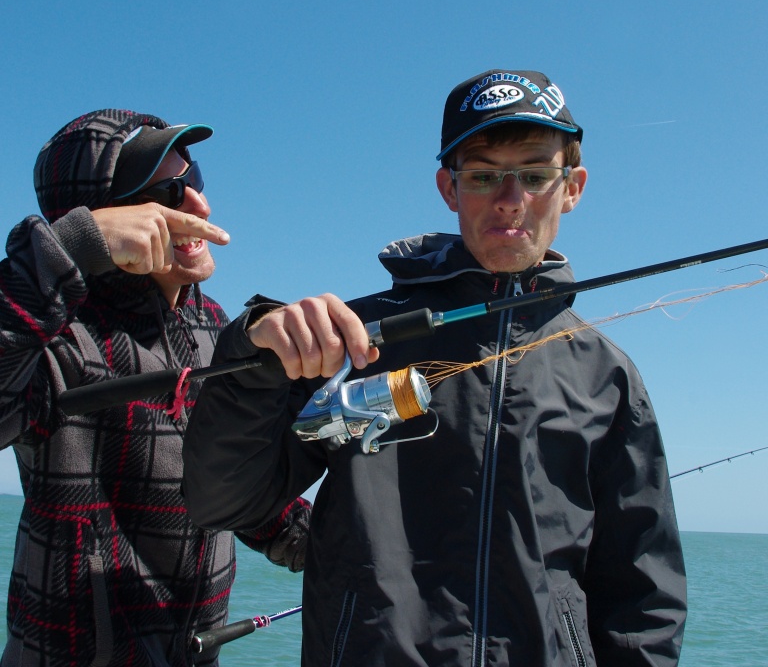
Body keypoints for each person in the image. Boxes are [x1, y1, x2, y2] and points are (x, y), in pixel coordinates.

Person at [182, 71, 687, 666]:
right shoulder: (354, 338)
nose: (510, 197)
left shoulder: (608, 375)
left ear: (572, 186)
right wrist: (254, 360)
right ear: (449, 188)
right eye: (482, 174)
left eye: (534, 173)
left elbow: (642, 594)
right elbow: (224, 503)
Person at [0, 109, 310, 667]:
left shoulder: (215, 326)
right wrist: (68, 248)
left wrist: (329, 539)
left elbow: (231, 484)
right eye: (170, 192)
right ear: (109, 220)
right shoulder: (53, 336)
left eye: (195, 181)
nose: (200, 205)